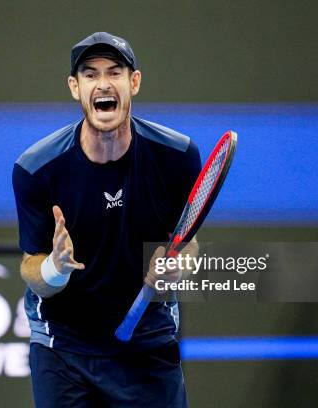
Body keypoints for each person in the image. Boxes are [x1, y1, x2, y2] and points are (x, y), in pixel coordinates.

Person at [12, 32, 201, 408]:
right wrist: (55, 267)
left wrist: (179, 267)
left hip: (147, 342)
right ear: (74, 87)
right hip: (64, 347)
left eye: (115, 72)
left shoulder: (176, 157)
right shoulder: (37, 169)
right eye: (90, 74)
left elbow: (188, 242)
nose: (103, 83)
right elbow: (32, 272)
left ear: (134, 82)